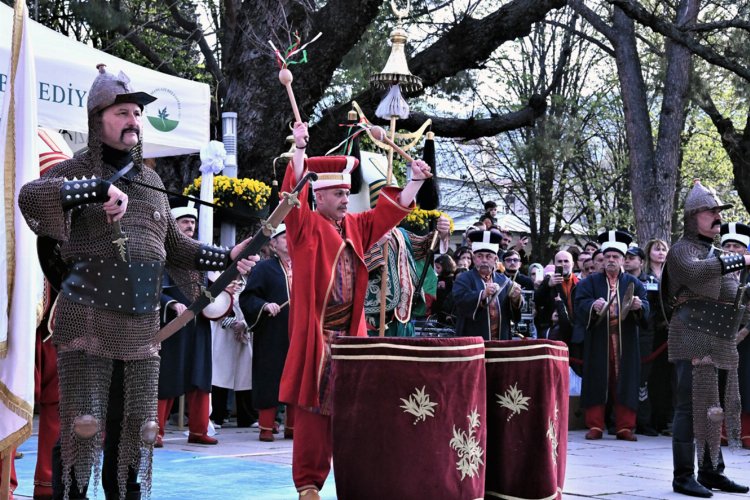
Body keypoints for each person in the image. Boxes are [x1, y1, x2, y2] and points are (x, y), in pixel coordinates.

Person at [18, 65, 258, 500]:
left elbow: (176, 248)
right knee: (82, 431)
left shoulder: (149, 181)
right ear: (97, 121)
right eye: (122, 112)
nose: (132, 120)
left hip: (140, 327)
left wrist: (226, 256)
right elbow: (30, 197)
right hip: (88, 320)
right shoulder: (75, 170)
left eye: (135, 113)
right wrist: (95, 191)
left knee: (136, 435)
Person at [278, 121, 431, 500]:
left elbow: (387, 214)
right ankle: (309, 484)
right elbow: (290, 195)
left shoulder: (355, 227)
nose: (348, 199)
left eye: (348, 192)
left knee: (352, 412)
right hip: (318, 335)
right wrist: (298, 150)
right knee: (314, 412)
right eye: (340, 194)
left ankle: (356, 478)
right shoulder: (303, 227)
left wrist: (414, 181)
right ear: (320, 196)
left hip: (351, 337)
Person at [664, 181, 750, 497]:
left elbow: (731, 293)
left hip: (716, 338)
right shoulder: (681, 251)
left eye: (718, 211)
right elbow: (698, 274)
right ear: (693, 215)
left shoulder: (715, 252)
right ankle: (683, 476)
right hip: (690, 335)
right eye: (711, 211)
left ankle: (712, 471)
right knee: (690, 406)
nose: (717, 216)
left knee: (712, 408)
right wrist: (742, 259)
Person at [157, 200, 229, 447]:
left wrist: (219, 298)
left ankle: (198, 430)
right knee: (167, 377)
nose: (190, 226)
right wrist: (170, 303)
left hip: (198, 326)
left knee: (200, 377)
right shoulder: (161, 253)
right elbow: (152, 288)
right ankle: (155, 432)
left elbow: (205, 289)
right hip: (172, 327)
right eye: (185, 222)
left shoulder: (199, 256)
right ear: (174, 226)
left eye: (193, 222)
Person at [574, 230, 649, 442]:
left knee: (625, 381)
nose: (610, 260)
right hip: (599, 339)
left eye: (615, 257)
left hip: (626, 340)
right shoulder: (589, 283)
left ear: (623, 260)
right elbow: (579, 306)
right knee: (597, 379)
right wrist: (591, 306)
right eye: (607, 257)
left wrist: (639, 306)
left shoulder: (636, 284)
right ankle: (595, 425)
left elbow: (646, 310)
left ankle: (625, 426)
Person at [239, 223, 294, 442]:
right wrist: (264, 306)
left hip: (298, 332)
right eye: (284, 237)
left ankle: (294, 427)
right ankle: (267, 427)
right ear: (273, 244)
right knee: (270, 377)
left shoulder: (304, 266)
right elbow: (248, 297)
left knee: (297, 378)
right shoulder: (263, 268)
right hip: (273, 332)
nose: (290, 240)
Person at [363, 216, 451, 336]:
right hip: (373, 321)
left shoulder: (401, 233)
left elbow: (423, 246)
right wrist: (377, 244)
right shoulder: (363, 230)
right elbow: (353, 262)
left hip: (403, 317)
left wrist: (441, 233)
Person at [452, 229, 522, 340]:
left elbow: (514, 315)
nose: (484, 260)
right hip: (472, 339)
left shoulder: (504, 280)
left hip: (500, 338)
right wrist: (483, 294)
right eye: (480, 256)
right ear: (474, 259)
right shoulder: (463, 278)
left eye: (488, 256)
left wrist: (515, 299)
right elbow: (459, 302)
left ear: (495, 259)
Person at [720, 223, 750, 449]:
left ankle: (746, 432)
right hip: (718, 336)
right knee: (717, 384)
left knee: (746, 383)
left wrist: (743, 332)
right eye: (727, 245)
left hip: (746, 339)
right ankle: (718, 430)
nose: (731, 249)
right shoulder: (713, 274)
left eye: (736, 246)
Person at [210, 278, 255, 430]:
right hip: (222, 337)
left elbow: (252, 308)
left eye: (238, 284)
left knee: (245, 377)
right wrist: (233, 323)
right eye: (232, 284)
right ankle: (218, 415)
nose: (235, 286)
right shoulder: (216, 286)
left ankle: (247, 416)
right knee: (220, 376)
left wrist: (244, 325)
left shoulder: (246, 287)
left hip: (244, 337)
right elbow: (211, 310)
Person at [624, 246, 660, 437]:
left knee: (643, 381)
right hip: (624, 332)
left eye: (632, 258)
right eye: (626, 258)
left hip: (645, 334)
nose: (628, 261)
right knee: (624, 378)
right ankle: (620, 421)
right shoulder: (618, 281)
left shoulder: (652, 282)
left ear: (641, 261)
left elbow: (656, 308)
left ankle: (644, 421)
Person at [643, 238, 673, 436]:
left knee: (669, 377)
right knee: (653, 376)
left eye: (663, 249)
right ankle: (653, 419)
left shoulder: (672, 275)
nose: (661, 253)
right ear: (649, 252)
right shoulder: (645, 277)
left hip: (670, 331)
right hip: (652, 331)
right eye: (657, 249)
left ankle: (666, 419)